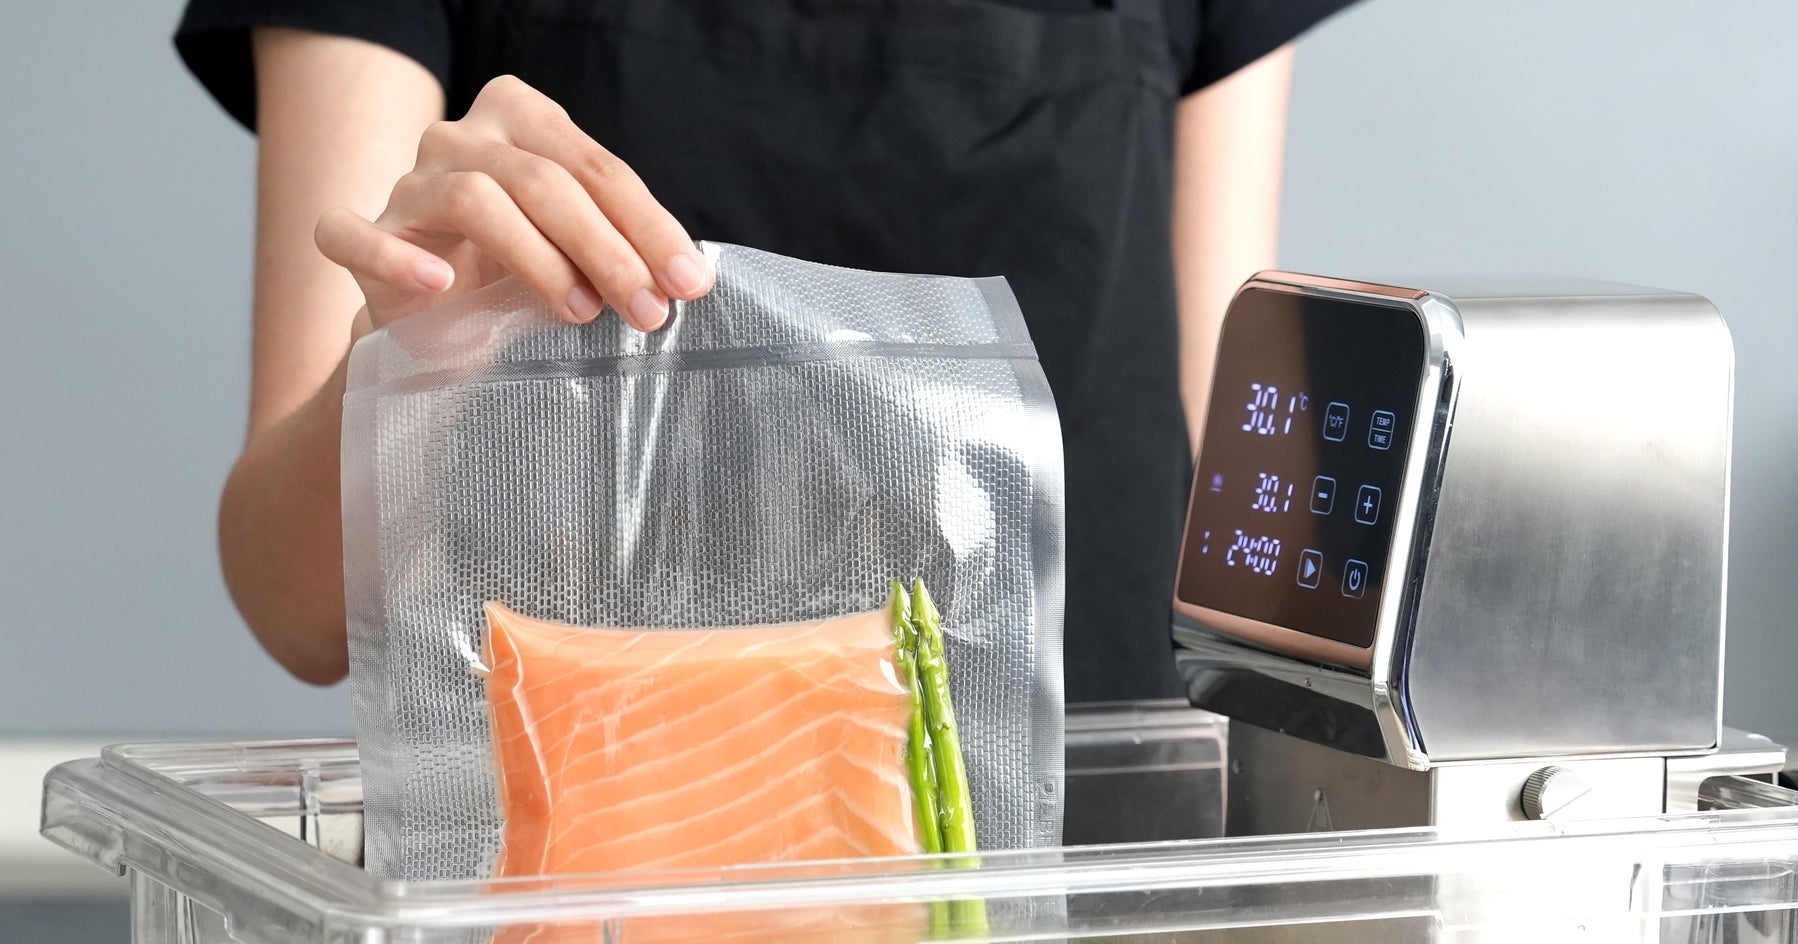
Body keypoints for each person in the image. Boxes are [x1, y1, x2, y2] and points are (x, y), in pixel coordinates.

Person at [175, 1, 1354, 702]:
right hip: (588, 921)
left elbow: (1243, 545)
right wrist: (420, 344)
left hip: (1082, 898)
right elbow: (298, 609)